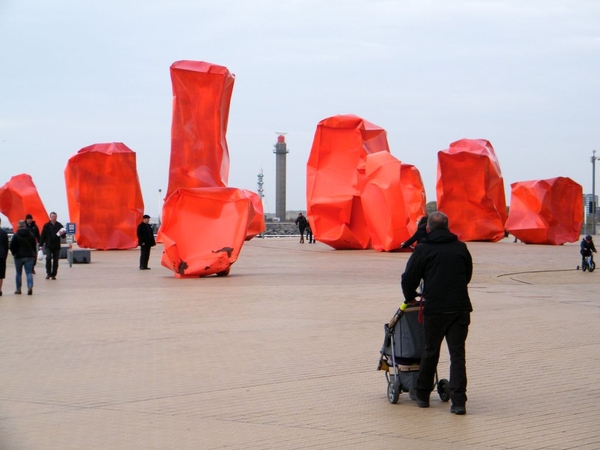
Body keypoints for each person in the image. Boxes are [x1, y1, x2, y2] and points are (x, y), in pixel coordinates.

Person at [401, 211, 473, 415]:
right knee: (457, 355)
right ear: (448, 227)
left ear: (428, 229)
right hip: (460, 308)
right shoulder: (460, 247)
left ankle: (423, 395)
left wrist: (410, 297)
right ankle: (458, 401)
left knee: (430, 351)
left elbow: (409, 277)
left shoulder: (424, 249)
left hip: (435, 309)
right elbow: (467, 274)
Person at [9, 220, 37, 295]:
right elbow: (34, 246)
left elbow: (11, 246)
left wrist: (14, 253)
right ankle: (30, 286)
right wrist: (34, 254)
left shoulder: (16, 235)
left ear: (18, 226)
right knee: (28, 272)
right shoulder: (31, 235)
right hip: (29, 256)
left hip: (18, 256)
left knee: (18, 273)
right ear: (25, 225)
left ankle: (18, 289)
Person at [39, 212, 65, 280]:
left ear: (56, 217)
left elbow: (63, 236)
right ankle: (48, 273)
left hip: (56, 246)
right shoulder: (46, 225)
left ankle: (54, 274)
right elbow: (43, 235)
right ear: (50, 217)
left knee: (56, 260)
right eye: (52, 217)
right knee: (48, 258)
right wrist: (40, 245)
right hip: (48, 245)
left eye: (55, 217)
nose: (54, 218)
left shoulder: (59, 225)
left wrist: (62, 234)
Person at [0, 218, 8, 296]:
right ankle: (0, 289)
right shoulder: (4, 233)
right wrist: (5, 255)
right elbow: (6, 246)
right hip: (2, 255)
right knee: (1, 275)